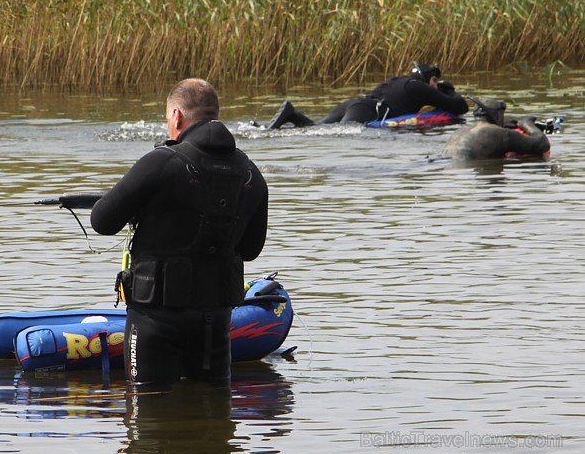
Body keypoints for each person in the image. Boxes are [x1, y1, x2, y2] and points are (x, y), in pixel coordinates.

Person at [90, 78, 269, 386]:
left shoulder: (161, 162)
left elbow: (102, 221)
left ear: (176, 116)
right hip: (215, 321)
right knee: (213, 417)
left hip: (155, 321)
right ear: (215, 113)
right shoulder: (251, 173)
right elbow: (251, 249)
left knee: (148, 417)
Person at [267, 62, 469, 129]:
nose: (435, 86)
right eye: (434, 81)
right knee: (332, 135)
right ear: (428, 79)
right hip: (367, 111)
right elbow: (460, 107)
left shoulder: (397, 81)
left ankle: (291, 115)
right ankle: (290, 114)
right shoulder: (419, 88)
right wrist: (446, 88)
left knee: (315, 130)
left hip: (355, 104)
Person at [441, 96, 551, 161]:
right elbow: (541, 143)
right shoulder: (500, 133)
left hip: (445, 165)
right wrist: (527, 123)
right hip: (465, 166)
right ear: (497, 115)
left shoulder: (459, 131)